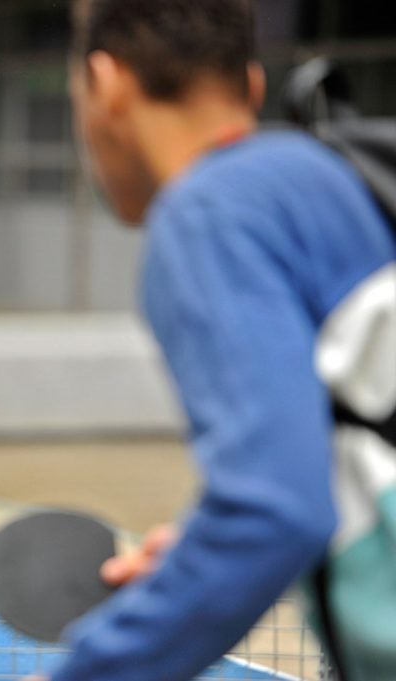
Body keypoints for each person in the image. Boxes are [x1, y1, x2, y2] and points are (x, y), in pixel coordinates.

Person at [38, 0, 396, 679]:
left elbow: (274, 511)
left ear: (107, 84)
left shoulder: (208, 213)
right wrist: (206, 548)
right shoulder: (329, 180)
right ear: (252, 86)